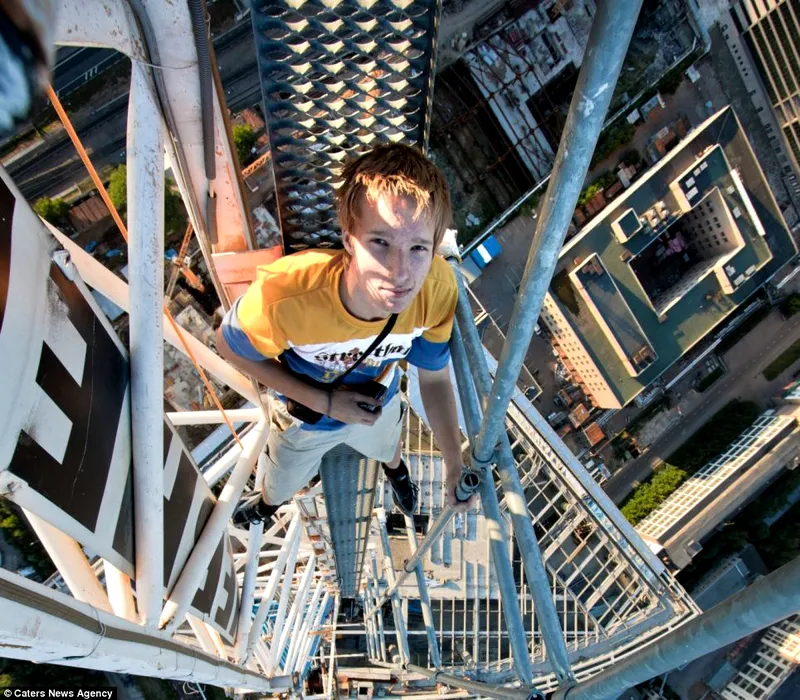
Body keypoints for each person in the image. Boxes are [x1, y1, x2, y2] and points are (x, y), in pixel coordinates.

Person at [216, 143, 469, 526]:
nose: (399, 272)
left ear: (434, 249)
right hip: (310, 416)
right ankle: (267, 505)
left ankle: (396, 472)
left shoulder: (436, 291)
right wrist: (326, 402)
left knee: (387, 444)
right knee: (283, 480)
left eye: (418, 247)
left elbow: (434, 380)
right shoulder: (287, 296)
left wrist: (454, 463)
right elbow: (229, 345)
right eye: (380, 242)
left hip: (376, 401)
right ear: (349, 238)